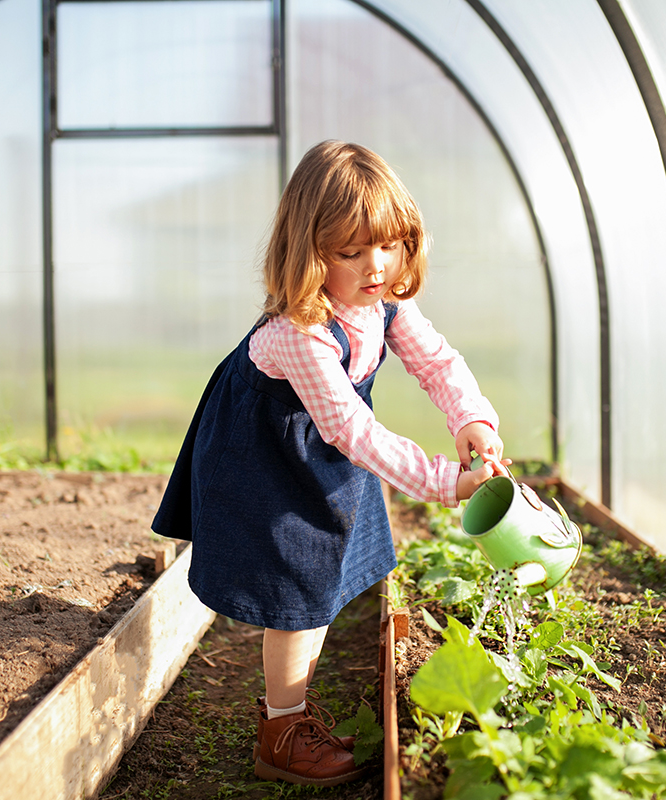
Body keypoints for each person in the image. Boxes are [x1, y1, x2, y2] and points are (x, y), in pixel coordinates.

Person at [151, 140, 510, 786]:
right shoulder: (299, 332)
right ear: (309, 252)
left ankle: (290, 708)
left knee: (325, 579)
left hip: (317, 450)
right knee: (297, 591)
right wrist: (441, 482)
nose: (376, 266)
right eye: (351, 252)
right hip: (265, 460)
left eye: (388, 244)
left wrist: (471, 419)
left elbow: (435, 361)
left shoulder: (383, 302)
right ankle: (280, 732)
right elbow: (350, 429)